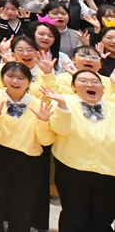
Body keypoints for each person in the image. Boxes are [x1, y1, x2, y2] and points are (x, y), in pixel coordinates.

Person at [0, 62, 54, 232]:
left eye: (21, 78)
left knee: (23, 207)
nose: (15, 81)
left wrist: (43, 121)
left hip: (28, 161)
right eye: (10, 76)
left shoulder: (39, 104)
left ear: (29, 82)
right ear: (3, 77)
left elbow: (45, 141)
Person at [47, 69, 115, 232]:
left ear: (103, 88)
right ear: (73, 86)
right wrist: (62, 107)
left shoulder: (111, 107)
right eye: (83, 81)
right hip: (73, 170)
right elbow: (60, 129)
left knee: (102, 221)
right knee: (74, 218)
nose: (90, 84)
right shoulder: (63, 101)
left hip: (109, 173)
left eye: (95, 82)